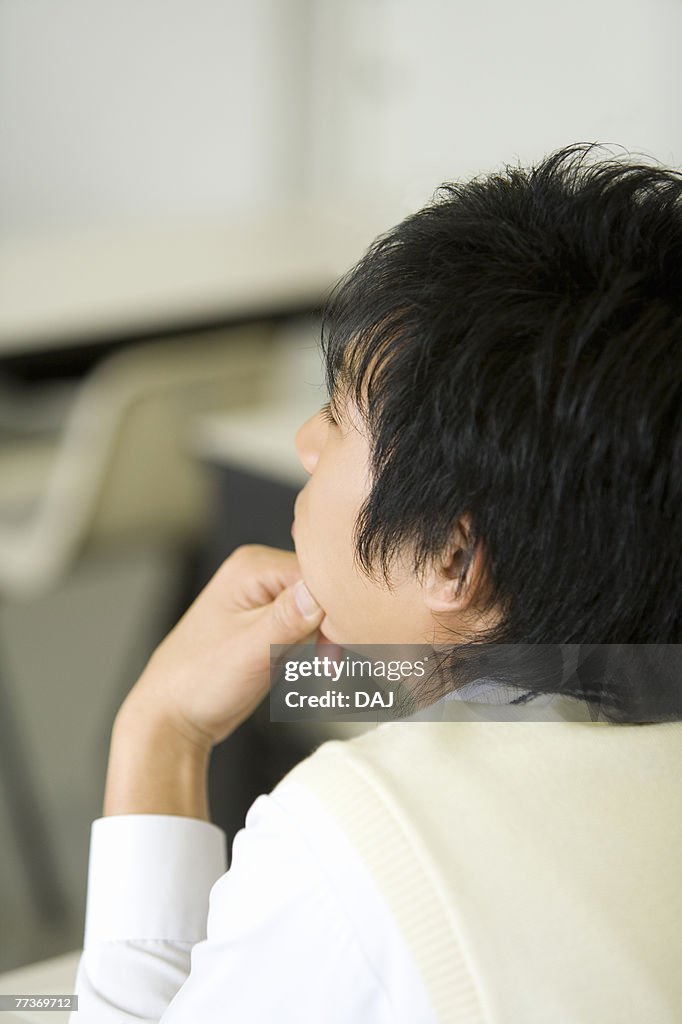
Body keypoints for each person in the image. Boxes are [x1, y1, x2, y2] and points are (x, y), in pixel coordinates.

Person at [71, 143, 682, 1022]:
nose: (305, 444)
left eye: (342, 413)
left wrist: (161, 728)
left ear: (450, 559)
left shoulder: (357, 835)